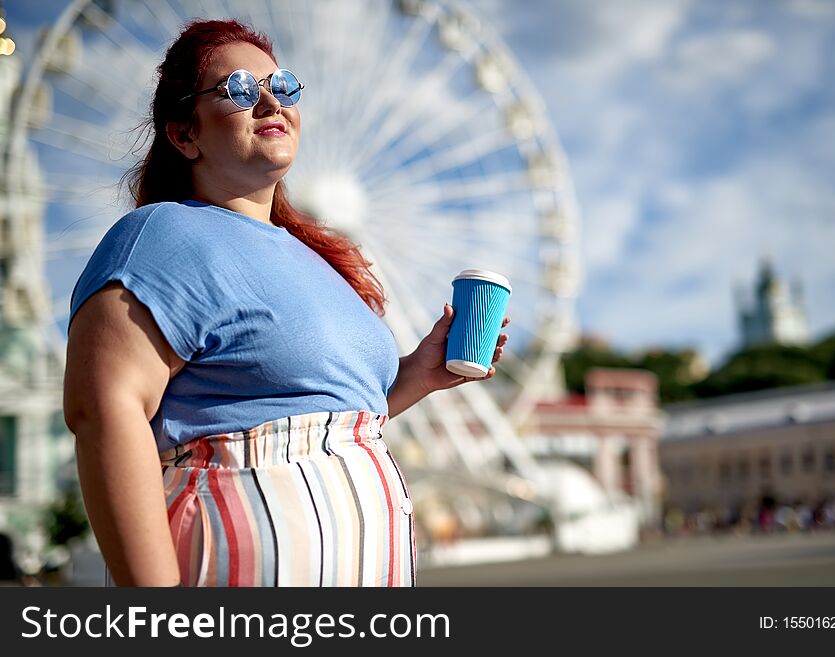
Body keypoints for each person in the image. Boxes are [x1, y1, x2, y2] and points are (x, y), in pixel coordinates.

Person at [62, 19, 509, 587]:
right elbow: (104, 412)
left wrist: (416, 375)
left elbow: (316, 414)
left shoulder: (318, 259)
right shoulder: (162, 236)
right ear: (184, 134)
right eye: (241, 89)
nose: (271, 100)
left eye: (284, 86)